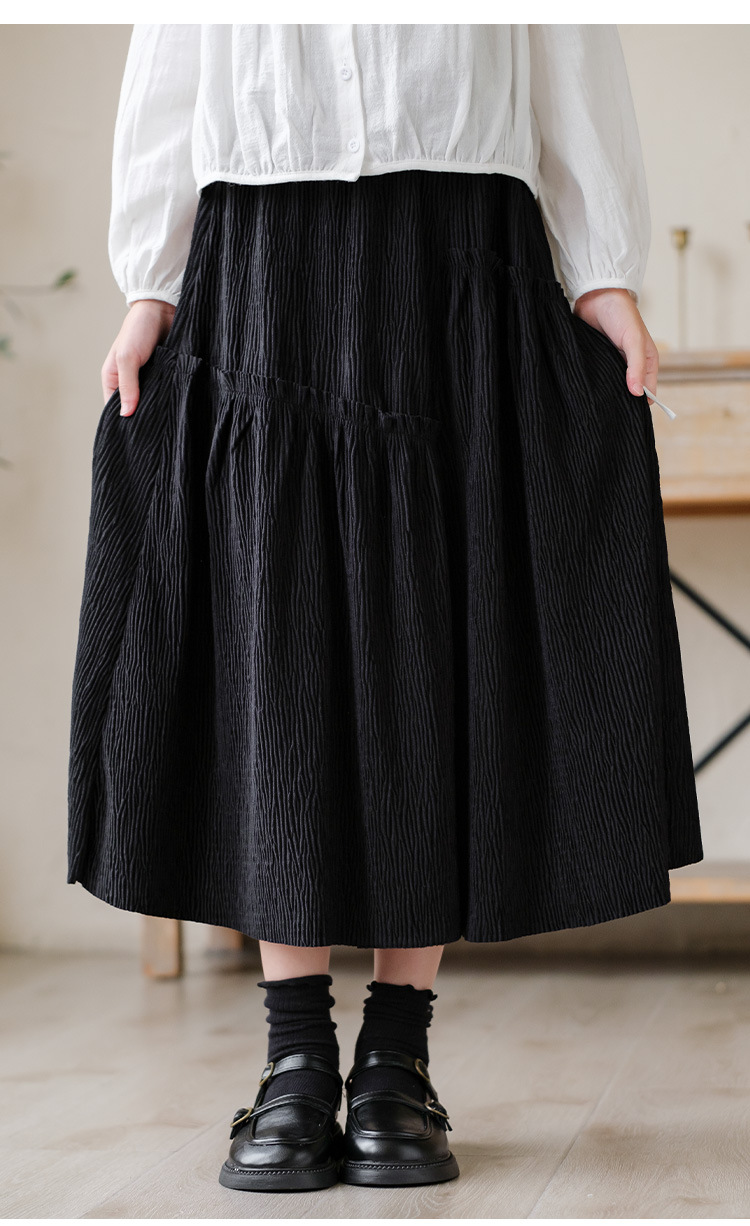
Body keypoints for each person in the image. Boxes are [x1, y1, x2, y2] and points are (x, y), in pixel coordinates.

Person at [67, 24, 703, 1192]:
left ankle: (397, 1059)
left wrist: (601, 269)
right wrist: (151, 282)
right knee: (278, 648)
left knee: (431, 643)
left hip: (461, 253)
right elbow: (173, 49)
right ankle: (296, 1056)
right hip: (262, 253)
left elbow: (567, 41)